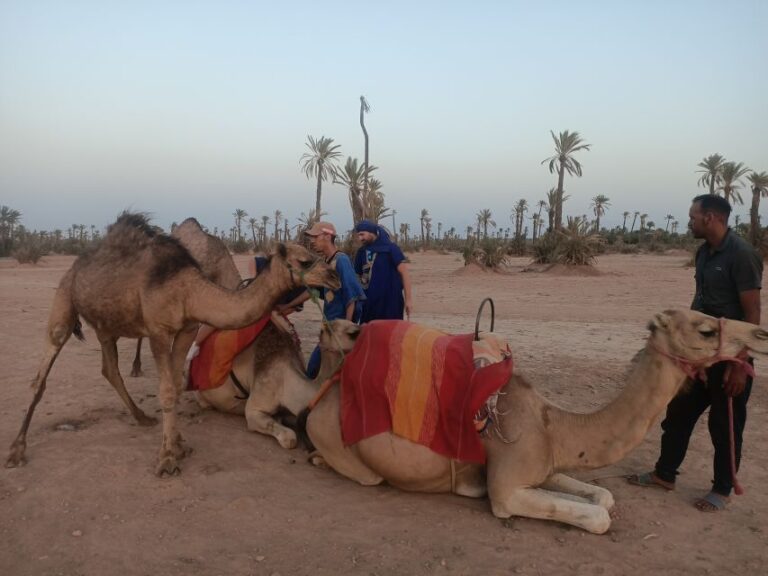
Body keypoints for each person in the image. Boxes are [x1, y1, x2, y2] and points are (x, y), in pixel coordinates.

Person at [628, 194, 762, 512]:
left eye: (693, 217)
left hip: (730, 356)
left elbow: (752, 315)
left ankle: (722, 488)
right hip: (699, 355)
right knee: (678, 415)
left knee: (725, 425)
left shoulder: (742, 255)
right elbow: (700, 304)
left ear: (711, 218)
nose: (689, 221)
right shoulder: (704, 253)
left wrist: (739, 365)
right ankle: (664, 474)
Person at [277, 221, 365, 378]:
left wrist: (345, 331)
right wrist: (288, 306)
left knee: (313, 371)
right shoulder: (326, 263)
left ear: (327, 236)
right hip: (328, 330)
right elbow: (315, 292)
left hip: (337, 332)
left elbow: (352, 297)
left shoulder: (341, 261)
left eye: (315, 237)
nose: (312, 241)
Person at [353, 219, 413, 322]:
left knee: (391, 334)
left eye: (362, 234)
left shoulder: (391, 249)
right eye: (358, 235)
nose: (360, 238)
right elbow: (357, 277)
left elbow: (404, 273)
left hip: (391, 303)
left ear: (371, 232)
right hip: (369, 305)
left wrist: (408, 300)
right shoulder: (361, 252)